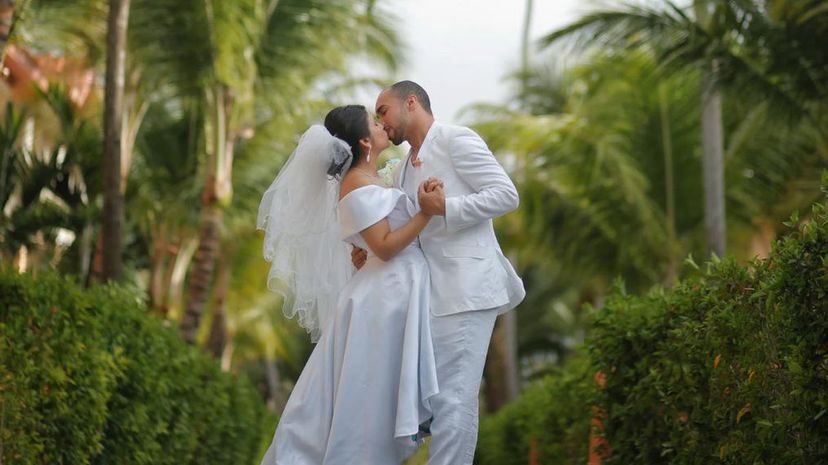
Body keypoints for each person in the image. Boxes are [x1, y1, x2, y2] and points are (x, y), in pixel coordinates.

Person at [258, 105, 443, 464]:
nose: (381, 124)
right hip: (382, 299)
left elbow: (374, 239)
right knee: (364, 400)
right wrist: (425, 211)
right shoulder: (356, 182)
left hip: (389, 291)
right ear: (364, 140)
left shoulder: (370, 179)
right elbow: (386, 247)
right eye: (375, 122)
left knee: (370, 396)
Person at [353, 80, 526, 465]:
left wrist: (446, 206)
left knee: (455, 399)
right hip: (430, 297)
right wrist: (368, 251)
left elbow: (505, 194)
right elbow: (409, 230)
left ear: (410, 102)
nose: (380, 122)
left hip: (468, 289)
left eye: (383, 111)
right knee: (431, 401)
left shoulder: (455, 139)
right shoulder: (399, 171)